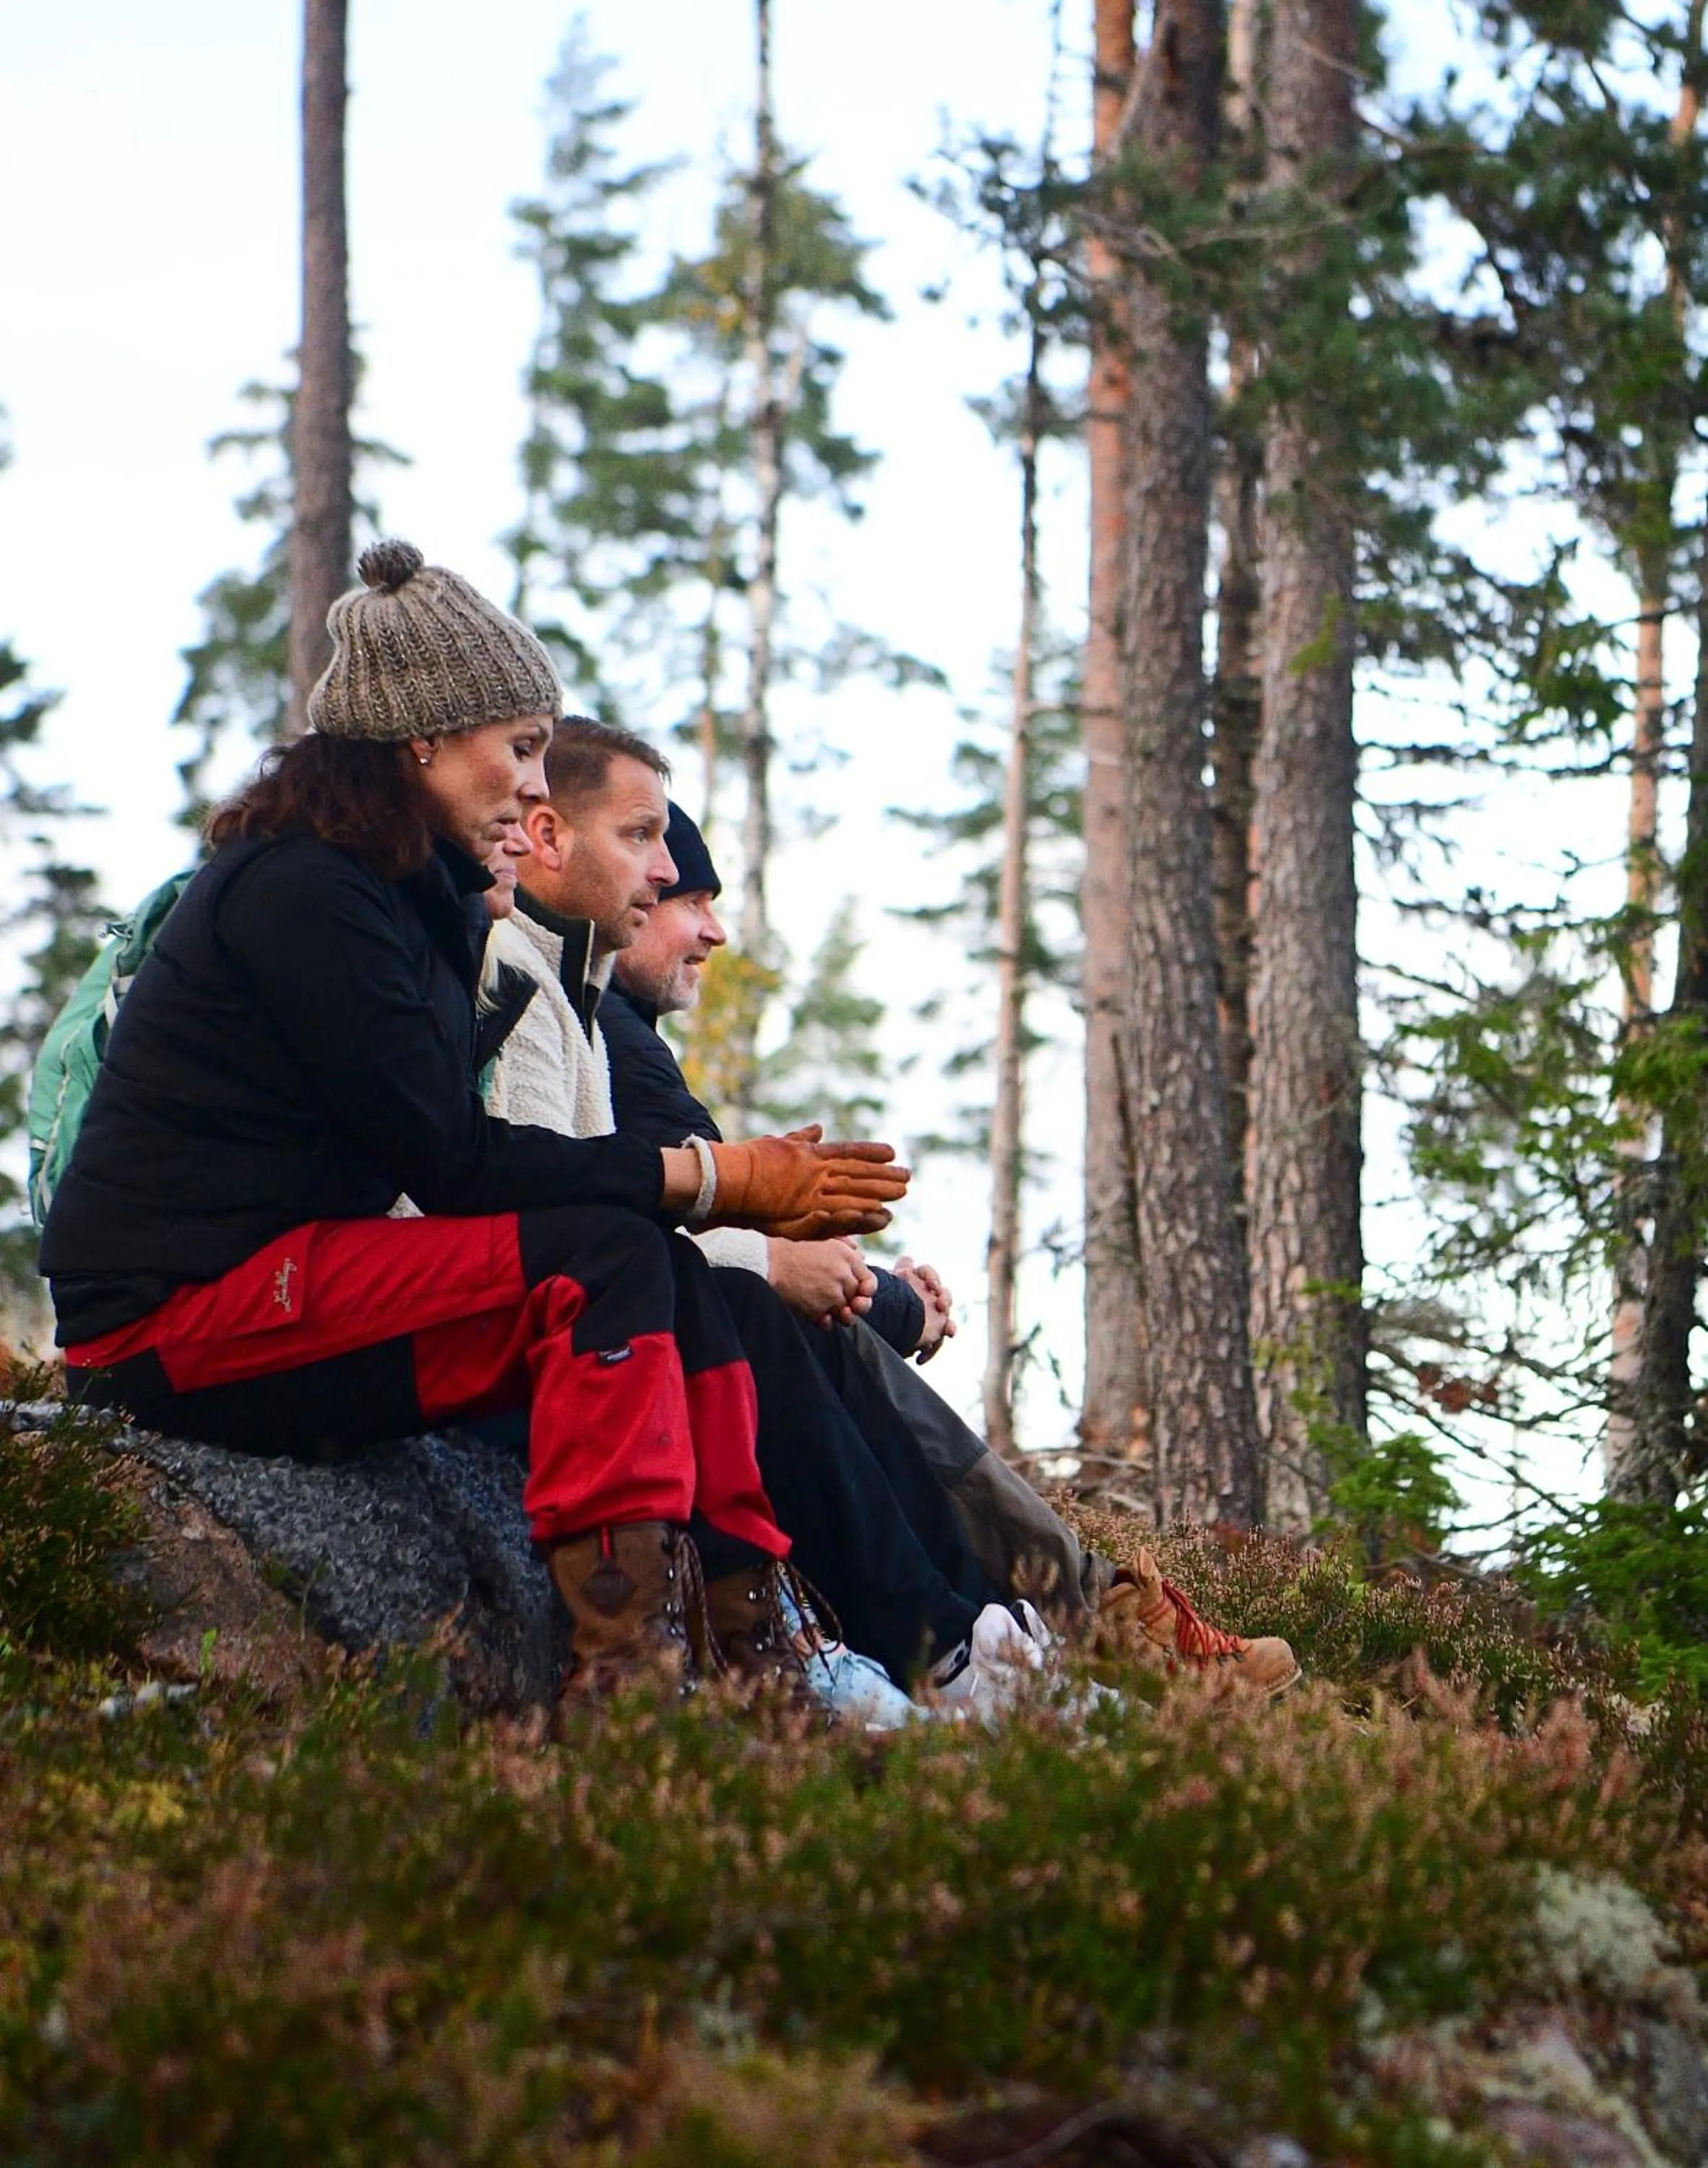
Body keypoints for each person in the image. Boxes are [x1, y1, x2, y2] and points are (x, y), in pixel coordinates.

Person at [38, 538, 909, 1706]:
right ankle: (625, 1681)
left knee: (668, 1274)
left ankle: (755, 1643)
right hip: (170, 1321)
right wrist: (720, 1178)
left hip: (286, 1282)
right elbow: (454, 1164)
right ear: (425, 743)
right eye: (521, 748)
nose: (537, 787)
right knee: (605, 1257)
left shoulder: (402, 897)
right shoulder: (304, 889)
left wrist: (709, 1198)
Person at [487, 718, 1298, 1699]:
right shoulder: (565, 1002)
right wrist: (883, 1297)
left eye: (685, 874)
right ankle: (1006, 1638)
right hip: (556, 1348)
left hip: (602, 1324)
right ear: (546, 838)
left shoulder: (591, 1008)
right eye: (670, 874)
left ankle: (1020, 1631)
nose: (692, 911)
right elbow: (601, 1216)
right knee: (796, 1326)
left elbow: (681, 1214)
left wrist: (850, 1273)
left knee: (807, 1326)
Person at [482, 720, 1058, 1711]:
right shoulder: (531, 985)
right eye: (652, 852)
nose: (675, 891)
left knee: (760, 1309)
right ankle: (945, 1647)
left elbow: (603, 1204)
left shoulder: (576, 995)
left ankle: (961, 1638)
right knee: (755, 1310)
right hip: (502, 1335)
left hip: (556, 1315)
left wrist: (797, 1239)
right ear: (545, 836)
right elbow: (550, 1206)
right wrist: (825, 1264)